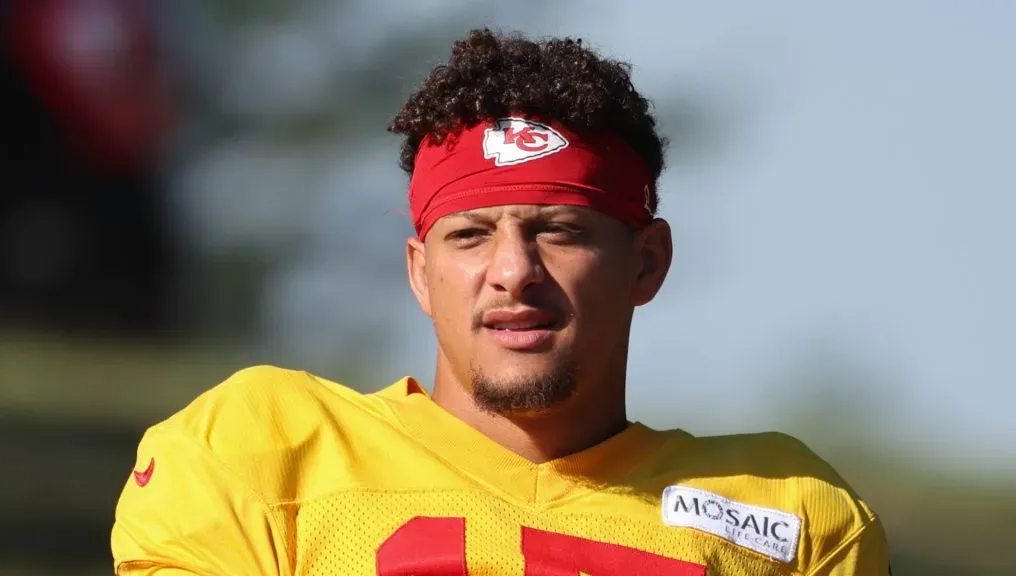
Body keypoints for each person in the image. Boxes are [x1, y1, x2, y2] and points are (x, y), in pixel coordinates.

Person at [111, 29, 891, 575]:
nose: (513, 271)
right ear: (420, 273)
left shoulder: (792, 513)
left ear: (646, 263)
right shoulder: (262, 452)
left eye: (560, 230)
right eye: (471, 235)